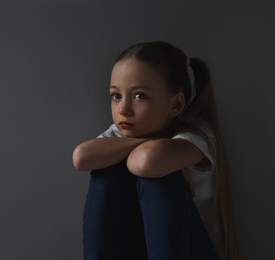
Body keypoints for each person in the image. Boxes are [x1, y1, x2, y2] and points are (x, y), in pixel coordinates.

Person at [72, 41, 240, 260]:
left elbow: (146, 161)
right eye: (116, 96)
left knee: (157, 174)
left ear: (175, 104)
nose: (124, 109)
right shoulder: (123, 133)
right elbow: (81, 157)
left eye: (139, 96)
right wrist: (146, 141)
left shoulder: (197, 136)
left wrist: (148, 145)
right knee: (107, 171)